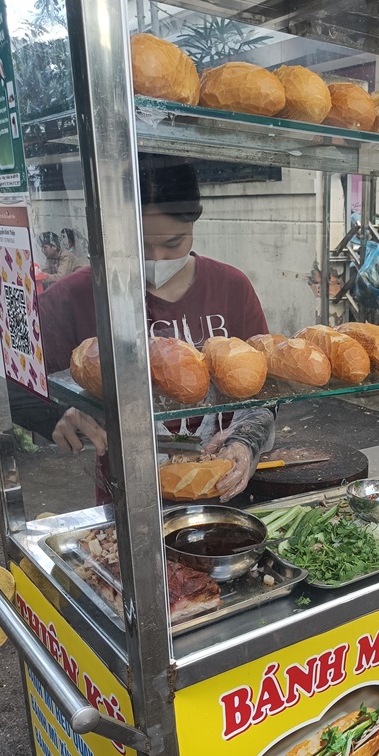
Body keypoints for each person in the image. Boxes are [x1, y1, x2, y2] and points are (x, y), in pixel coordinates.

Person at [35, 153, 274, 504]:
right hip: (129, 506)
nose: (158, 259)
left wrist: (246, 442)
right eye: (140, 246)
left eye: (174, 242)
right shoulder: (78, 294)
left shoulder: (231, 287)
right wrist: (57, 413)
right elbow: (1, 382)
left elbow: (267, 396)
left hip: (224, 495)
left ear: (194, 222)